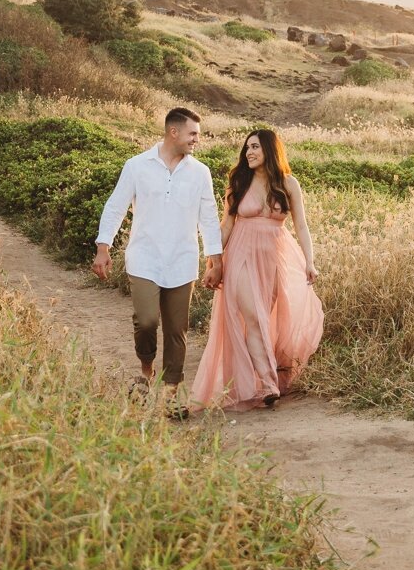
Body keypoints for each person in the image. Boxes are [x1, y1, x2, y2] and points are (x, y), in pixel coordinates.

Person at [94, 108, 222, 420]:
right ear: (173, 132)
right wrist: (102, 245)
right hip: (145, 257)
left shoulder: (200, 172)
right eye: (193, 134)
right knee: (147, 320)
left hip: (182, 259)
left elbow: (209, 216)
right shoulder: (137, 166)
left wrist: (214, 258)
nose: (197, 140)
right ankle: (146, 371)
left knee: (177, 330)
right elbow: (115, 206)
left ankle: (171, 393)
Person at [190, 128, 324, 412]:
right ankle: (267, 384)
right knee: (253, 317)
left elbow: (301, 224)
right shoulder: (239, 182)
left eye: (255, 147)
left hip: (275, 256)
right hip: (240, 254)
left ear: (270, 151)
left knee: (266, 317)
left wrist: (309, 261)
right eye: (247, 148)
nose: (249, 152)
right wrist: (214, 262)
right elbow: (225, 225)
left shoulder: (288, 184)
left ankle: (263, 376)